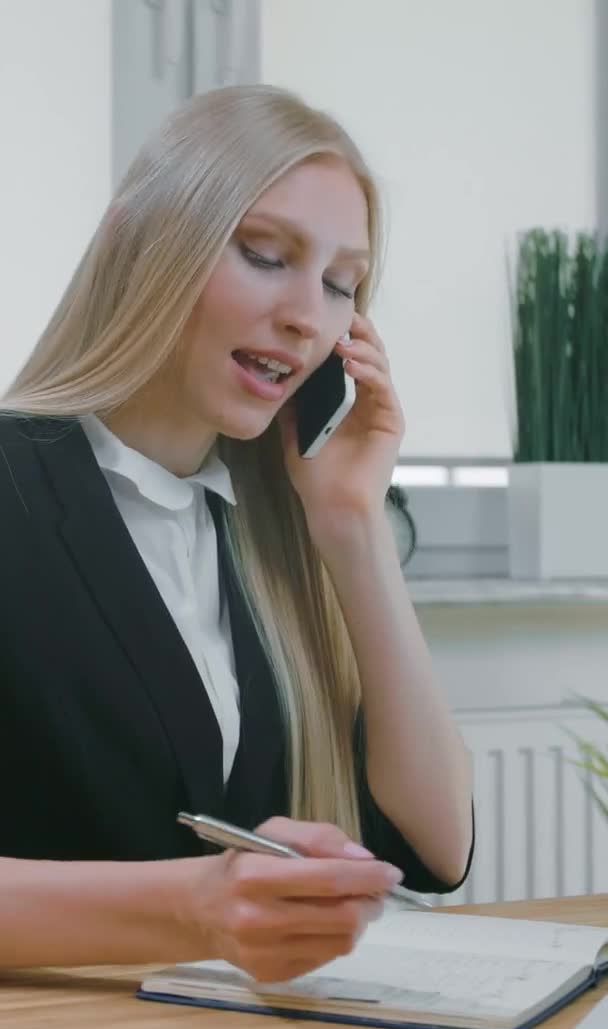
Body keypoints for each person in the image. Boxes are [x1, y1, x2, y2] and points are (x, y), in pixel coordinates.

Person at [0, 84, 473, 981]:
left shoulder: (270, 537)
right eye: (265, 255)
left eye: (341, 285)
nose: (306, 315)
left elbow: (438, 844)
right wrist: (194, 908)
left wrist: (353, 527)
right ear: (137, 239)